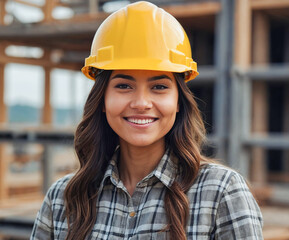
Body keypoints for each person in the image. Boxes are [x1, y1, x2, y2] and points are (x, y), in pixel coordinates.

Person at [31, 1, 263, 239]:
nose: (141, 103)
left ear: (178, 102)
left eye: (159, 87)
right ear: (101, 100)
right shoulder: (62, 198)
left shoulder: (222, 192)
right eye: (123, 85)